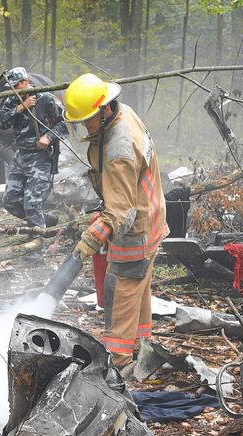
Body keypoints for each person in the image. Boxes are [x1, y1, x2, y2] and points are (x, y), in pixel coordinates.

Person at [64, 73, 168, 368]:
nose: (84, 125)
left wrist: (89, 240)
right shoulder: (125, 114)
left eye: (87, 119)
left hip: (136, 229)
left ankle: (117, 363)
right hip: (151, 219)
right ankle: (143, 350)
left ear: (104, 109)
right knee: (138, 289)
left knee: (119, 291)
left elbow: (121, 211)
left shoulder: (119, 149)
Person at [0, 67, 68, 228]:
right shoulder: (11, 101)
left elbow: (64, 124)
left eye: (17, 86)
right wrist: (21, 107)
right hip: (21, 156)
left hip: (42, 157)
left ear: (26, 82)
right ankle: (44, 221)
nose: (14, 90)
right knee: (10, 202)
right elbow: (1, 123)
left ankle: (38, 248)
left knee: (31, 206)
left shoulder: (46, 98)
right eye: (12, 87)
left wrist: (48, 137)